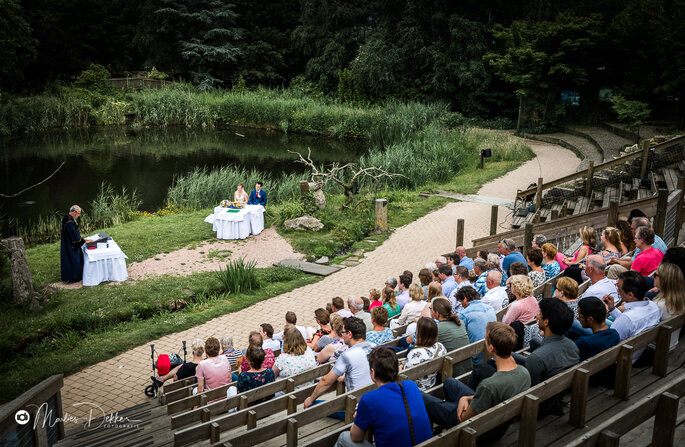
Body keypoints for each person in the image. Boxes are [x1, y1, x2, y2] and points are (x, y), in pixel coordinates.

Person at [422, 322, 531, 433]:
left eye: (485, 339)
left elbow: (464, 419)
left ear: (491, 348)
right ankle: (450, 412)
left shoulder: (489, 385)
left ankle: (450, 425)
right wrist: (465, 398)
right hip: (495, 421)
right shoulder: (524, 373)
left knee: (423, 398)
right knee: (450, 382)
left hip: (478, 429)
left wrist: (463, 401)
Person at [335, 347, 432, 447]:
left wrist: (359, 417)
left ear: (372, 372)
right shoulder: (411, 386)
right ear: (397, 369)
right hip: (427, 444)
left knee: (344, 437)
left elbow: (355, 437)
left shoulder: (369, 399)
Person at [517, 298, 578, 415]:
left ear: (546, 322)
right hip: (555, 393)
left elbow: (529, 391)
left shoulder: (536, 358)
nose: (537, 315)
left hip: (537, 408)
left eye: (540, 313)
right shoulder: (572, 346)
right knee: (534, 341)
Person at [304, 317, 374, 409]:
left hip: (357, 407)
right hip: (374, 400)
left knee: (313, 404)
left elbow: (326, 382)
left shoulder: (347, 355)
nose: (342, 335)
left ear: (349, 334)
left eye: (343, 332)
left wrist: (310, 399)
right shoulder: (374, 347)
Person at [603, 271, 660, 363]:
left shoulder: (627, 319)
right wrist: (612, 309)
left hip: (621, 360)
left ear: (630, 295)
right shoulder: (653, 307)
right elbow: (628, 324)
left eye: (619, 288)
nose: (617, 290)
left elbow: (607, 343)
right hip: (634, 353)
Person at [570, 297, 620, 361]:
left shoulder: (583, 342)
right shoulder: (615, 334)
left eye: (580, 316)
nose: (578, 318)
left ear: (590, 319)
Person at [456, 287, 496, 366]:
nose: (462, 305)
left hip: (477, 356)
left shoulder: (464, 314)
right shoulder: (490, 308)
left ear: (465, 299)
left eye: (461, 302)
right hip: (493, 350)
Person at [406, 318, 447, 391]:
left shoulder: (415, 353)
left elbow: (406, 376)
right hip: (431, 383)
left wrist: (400, 368)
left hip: (416, 390)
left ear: (419, 333)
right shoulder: (440, 346)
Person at [60, 205, 92, 282]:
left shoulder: (66, 218)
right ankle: (74, 277)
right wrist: (83, 241)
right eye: (78, 213)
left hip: (67, 242)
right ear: (74, 212)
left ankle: (68, 277)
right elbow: (75, 237)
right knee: (74, 259)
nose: (78, 215)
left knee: (68, 259)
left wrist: (82, 239)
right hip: (71, 245)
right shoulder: (70, 222)